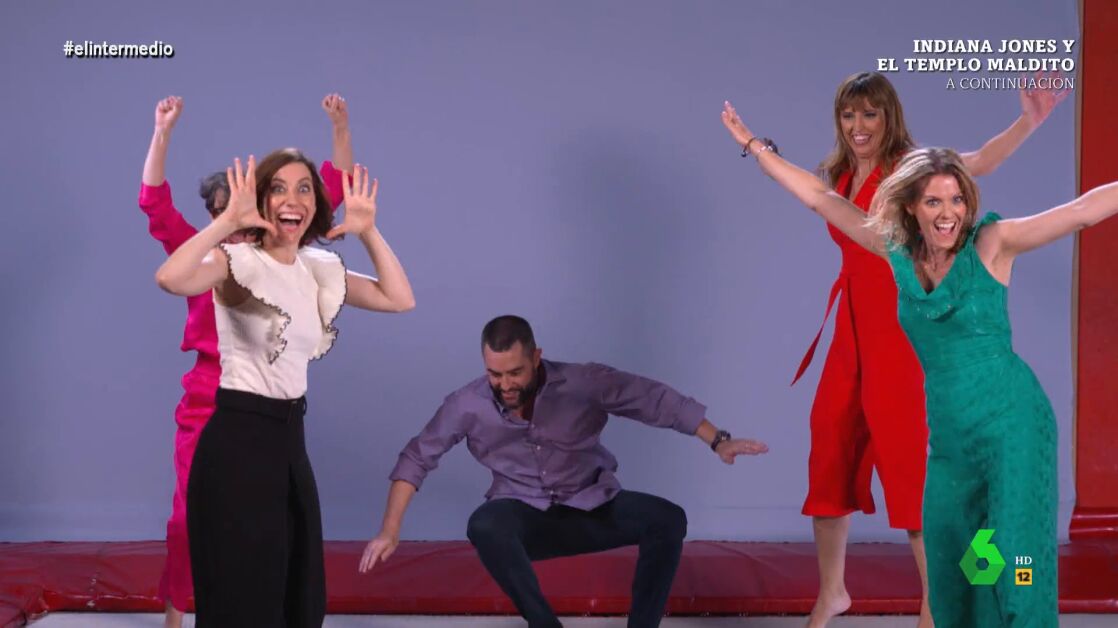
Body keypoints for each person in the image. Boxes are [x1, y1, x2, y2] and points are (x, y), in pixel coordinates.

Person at [721, 101, 1118, 626]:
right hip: (953, 440)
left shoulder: (992, 244)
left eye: (956, 199)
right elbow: (820, 198)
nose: (948, 212)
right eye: (933, 201)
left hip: (1013, 427)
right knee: (961, 563)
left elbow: (1083, 211)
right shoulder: (896, 253)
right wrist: (756, 147)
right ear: (911, 207)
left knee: (1017, 559)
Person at [779, 72, 1064, 627]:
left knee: (918, 473)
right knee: (832, 449)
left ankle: (941, 603)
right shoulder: (844, 178)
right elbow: (815, 196)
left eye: (870, 113)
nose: (859, 126)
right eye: (849, 115)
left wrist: (1027, 122)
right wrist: (755, 145)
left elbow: (980, 162)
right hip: (856, 329)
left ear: (889, 117)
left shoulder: (911, 170)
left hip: (906, 332)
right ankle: (835, 593)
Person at [358, 315, 768, 628]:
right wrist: (390, 529)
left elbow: (653, 400)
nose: (505, 385)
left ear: (536, 357)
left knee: (668, 519)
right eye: (495, 374)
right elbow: (417, 457)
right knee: (484, 524)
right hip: (525, 518)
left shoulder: (583, 382)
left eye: (515, 372)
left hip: (593, 508)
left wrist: (718, 440)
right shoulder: (466, 404)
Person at [154, 148, 415, 627]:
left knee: (300, 593)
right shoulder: (235, 261)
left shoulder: (316, 268)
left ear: (315, 203)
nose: (292, 199)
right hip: (237, 440)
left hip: (290, 441)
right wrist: (225, 222)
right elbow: (170, 278)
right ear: (260, 202)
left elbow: (398, 298)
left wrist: (369, 232)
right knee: (244, 596)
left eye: (303, 189)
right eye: (277, 188)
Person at [138, 93, 353, 627]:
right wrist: (162, 133)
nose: (229, 220)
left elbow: (329, 191)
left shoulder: (273, 253)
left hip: (264, 407)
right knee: (187, 519)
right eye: (219, 211)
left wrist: (340, 128)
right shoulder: (206, 253)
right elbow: (155, 206)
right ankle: (176, 615)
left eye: (236, 209)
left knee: (269, 523)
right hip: (207, 399)